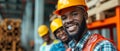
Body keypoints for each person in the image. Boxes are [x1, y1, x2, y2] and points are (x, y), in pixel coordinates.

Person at [54, 0, 118, 51]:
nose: (69, 20)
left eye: (74, 14)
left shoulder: (102, 47)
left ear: (85, 15)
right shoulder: (70, 48)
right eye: (64, 18)